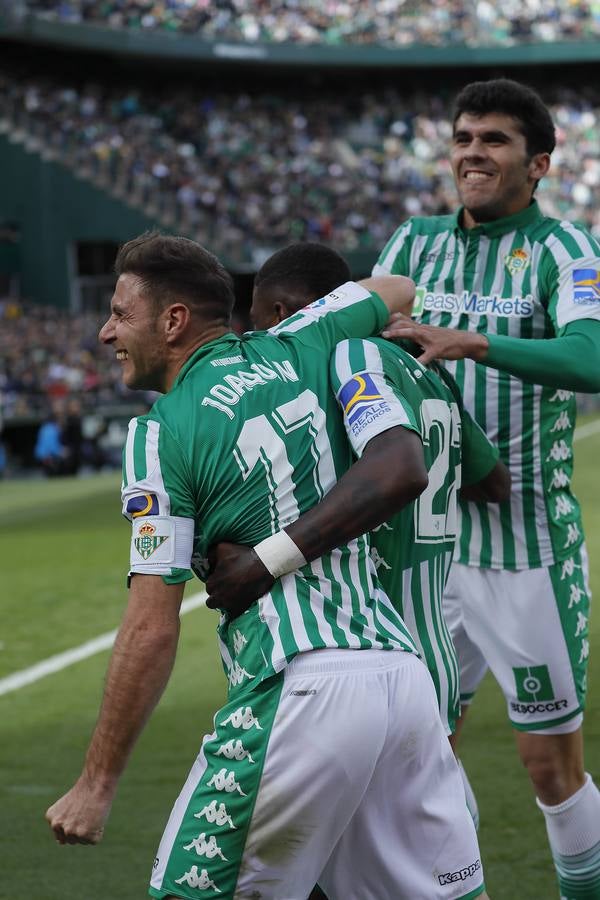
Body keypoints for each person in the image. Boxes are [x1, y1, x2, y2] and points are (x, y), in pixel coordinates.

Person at [45, 232, 488, 900]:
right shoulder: (301, 340)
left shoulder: (158, 433)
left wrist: (96, 783)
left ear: (174, 322)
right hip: (403, 682)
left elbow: (150, 627)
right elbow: (397, 288)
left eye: (119, 313)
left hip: (301, 684)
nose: (106, 332)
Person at [375, 78, 600, 898]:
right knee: (414, 751)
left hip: (527, 554)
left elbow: (591, 360)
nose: (474, 152)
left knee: (549, 767)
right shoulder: (413, 243)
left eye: (496, 140)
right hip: (430, 552)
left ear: (539, 162)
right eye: (464, 137)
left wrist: (477, 342)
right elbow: (363, 329)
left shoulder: (563, 252)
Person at [214, 241, 510, 744]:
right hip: (436, 650)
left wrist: (266, 559)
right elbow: (493, 483)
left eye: (261, 320)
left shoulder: (350, 359)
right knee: (433, 810)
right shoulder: (426, 369)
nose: (258, 337)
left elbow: (397, 472)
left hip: (373, 652)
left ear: (285, 314)